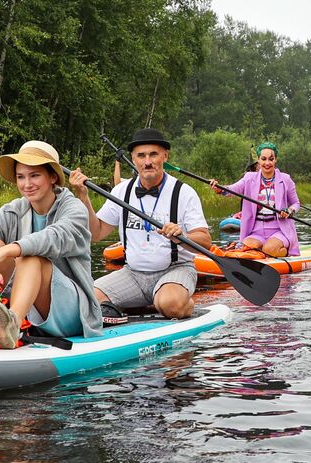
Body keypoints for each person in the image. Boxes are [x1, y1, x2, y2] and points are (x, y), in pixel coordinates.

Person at [0, 141, 100, 348]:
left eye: (35, 175)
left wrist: (8, 250)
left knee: (31, 258)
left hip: (73, 311)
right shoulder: (16, 209)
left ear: (53, 177)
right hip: (29, 304)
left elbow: (53, 238)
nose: (27, 184)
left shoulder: (73, 208)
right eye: (21, 177)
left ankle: (13, 325)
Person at [67, 129, 210, 324]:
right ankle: (147, 302)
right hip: (133, 274)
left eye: (153, 154)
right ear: (133, 159)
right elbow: (96, 233)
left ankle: (181, 302)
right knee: (85, 300)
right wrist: (83, 196)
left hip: (176, 269)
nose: (147, 161)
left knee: (171, 305)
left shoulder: (184, 192)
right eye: (141, 156)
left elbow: (205, 241)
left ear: (165, 156)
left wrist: (181, 235)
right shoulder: (121, 191)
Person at [210, 142, 302, 258]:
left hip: (279, 231)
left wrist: (290, 211)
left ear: (275, 160)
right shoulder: (249, 178)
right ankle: (260, 253)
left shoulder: (285, 179)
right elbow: (232, 189)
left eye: (271, 159)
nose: (267, 163)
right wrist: (219, 188)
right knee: (246, 249)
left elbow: (296, 203)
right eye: (263, 159)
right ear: (258, 160)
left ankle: (284, 252)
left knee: (268, 249)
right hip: (256, 231)